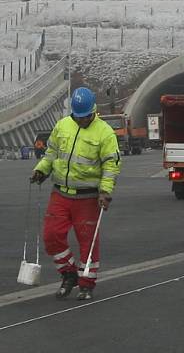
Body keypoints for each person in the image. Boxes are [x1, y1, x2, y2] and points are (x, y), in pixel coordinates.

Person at [30, 87, 121, 300]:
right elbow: (51, 153)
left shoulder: (105, 132)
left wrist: (105, 191)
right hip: (60, 193)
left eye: (86, 117)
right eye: (77, 117)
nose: (81, 121)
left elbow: (111, 165)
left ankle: (86, 283)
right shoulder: (62, 126)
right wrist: (42, 169)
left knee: (87, 243)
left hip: (88, 197)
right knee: (51, 236)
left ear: (93, 111)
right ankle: (68, 273)